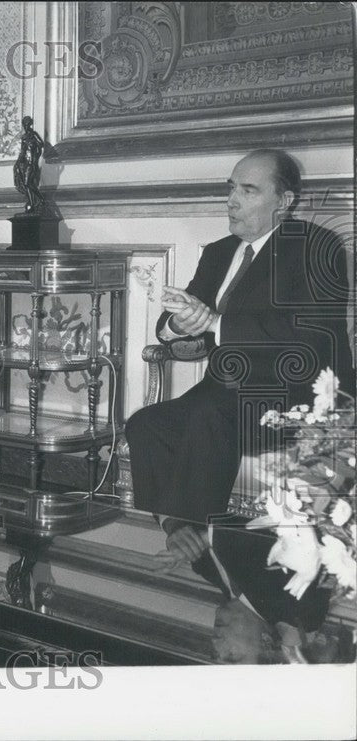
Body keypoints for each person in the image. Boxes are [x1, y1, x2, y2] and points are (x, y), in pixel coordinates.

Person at [125, 149, 354, 644]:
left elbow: (306, 338)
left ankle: (200, 534)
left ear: (284, 201)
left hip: (295, 394)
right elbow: (178, 325)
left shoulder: (316, 247)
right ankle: (179, 527)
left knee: (209, 413)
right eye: (231, 188)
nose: (231, 200)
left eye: (248, 190)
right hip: (227, 390)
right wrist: (179, 324)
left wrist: (215, 322)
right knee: (145, 423)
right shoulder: (218, 252)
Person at [12, 116, 44, 213]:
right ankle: (35, 202)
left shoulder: (34, 135)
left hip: (31, 163)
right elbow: (22, 151)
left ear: (30, 125)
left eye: (27, 125)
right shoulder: (24, 137)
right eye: (24, 125)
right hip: (25, 163)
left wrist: (36, 155)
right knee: (27, 184)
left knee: (27, 183)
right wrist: (17, 163)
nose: (25, 127)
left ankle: (38, 200)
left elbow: (41, 144)